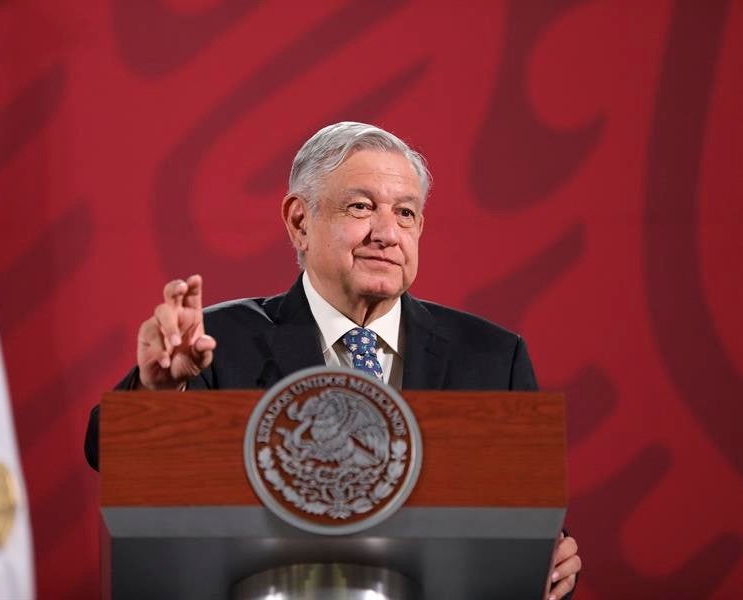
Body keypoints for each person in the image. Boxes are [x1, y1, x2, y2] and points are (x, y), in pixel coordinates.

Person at [85, 122, 581, 599]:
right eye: (361, 207)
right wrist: (158, 393)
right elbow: (110, 455)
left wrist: (552, 561)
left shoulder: (493, 358)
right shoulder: (218, 343)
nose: (387, 233)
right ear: (300, 221)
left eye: (406, 213)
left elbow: (528, 524)